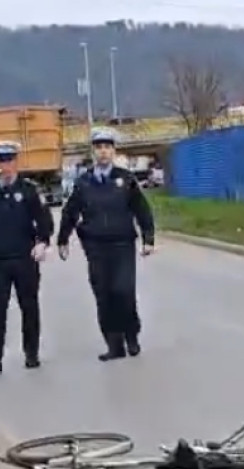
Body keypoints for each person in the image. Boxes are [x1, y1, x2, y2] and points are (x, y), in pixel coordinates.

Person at [57, 128, 155, 361]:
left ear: (113, 151)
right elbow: (71, 211)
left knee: (123, 291)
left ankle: (131, 335)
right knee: (103, 294)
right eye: (99, 148)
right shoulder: (84, 182)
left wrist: (148, 238)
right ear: (93, 152)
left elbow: (141, 209)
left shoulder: (126, 179)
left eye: (107, 147)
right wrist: (63, 239)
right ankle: (114, 345)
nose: (103, 152)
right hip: (96, 246)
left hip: (122, 244)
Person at [0, 141, 53, 373]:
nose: (6, 165)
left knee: (29, 307)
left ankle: (31, 353)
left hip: (24, 258)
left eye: (10, 159)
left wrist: (43, 242)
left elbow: (44, 220)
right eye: (2, 160)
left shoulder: (29, 190)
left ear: (17, 161)